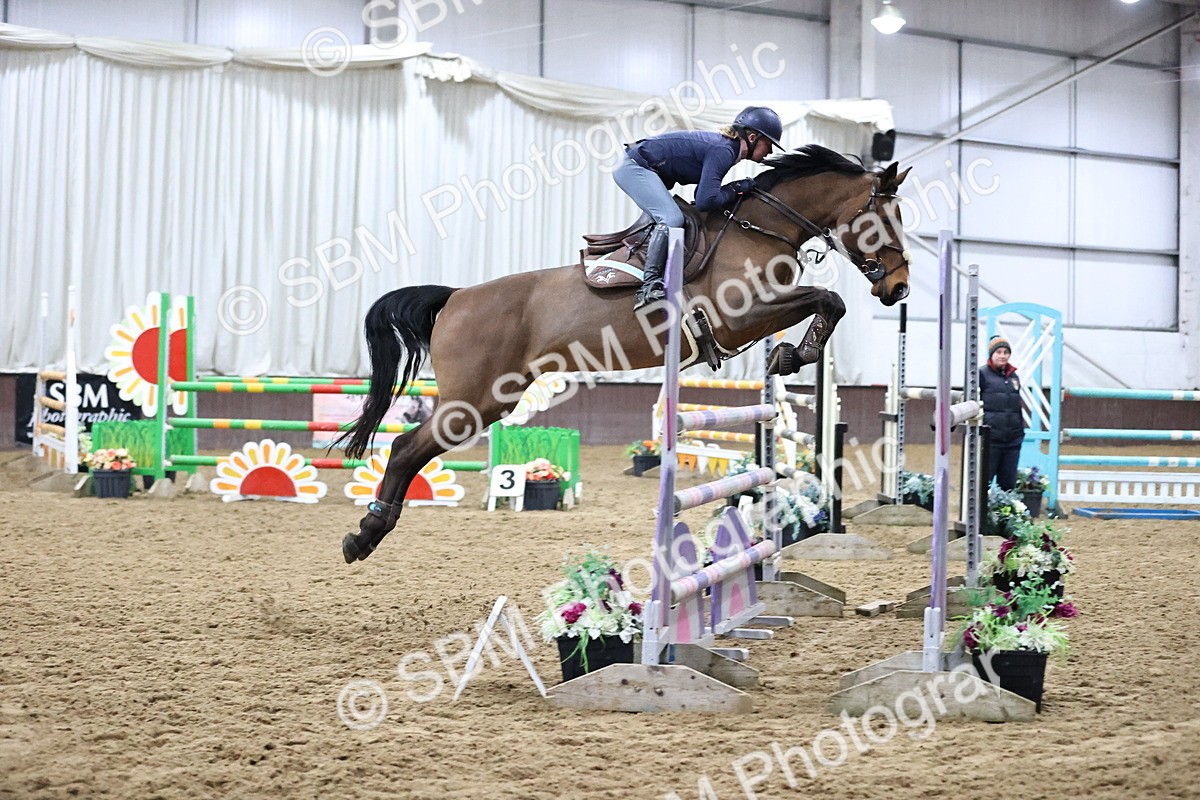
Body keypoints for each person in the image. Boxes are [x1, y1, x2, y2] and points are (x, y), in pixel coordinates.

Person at [614, 106, 784, 310]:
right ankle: (648, 287)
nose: (771, 151)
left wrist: (732, 189)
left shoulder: (726, 149)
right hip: (634, 166)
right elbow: (705, 200)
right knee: (671, 219)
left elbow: (703, 197)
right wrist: (736, 188)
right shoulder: (724, 150)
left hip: (642, 166)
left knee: (677, 218)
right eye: (769, 144)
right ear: (752, 136)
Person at [979, 335, 1026, 491]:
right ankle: (981, 515)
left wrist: (1019, 432)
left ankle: (1004, 514)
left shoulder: (1014, 376)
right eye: (998, 352)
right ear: (992, 354)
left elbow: (1016, 405)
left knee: (1008, 484)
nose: (1002, 355)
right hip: (991, 439)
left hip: (1012, 440)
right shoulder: (982, 375)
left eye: (1006, 352)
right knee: (984, 482)